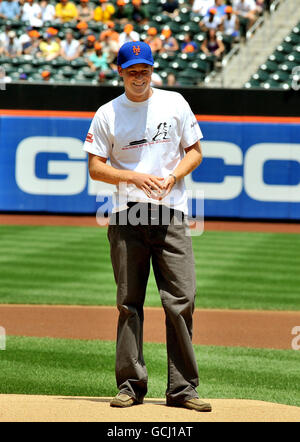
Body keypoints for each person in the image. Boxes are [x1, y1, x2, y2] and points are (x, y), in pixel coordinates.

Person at [83, 41, 212, 413]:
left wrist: (173, 177)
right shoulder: (108, 113)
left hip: (171, 213)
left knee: (181, 301)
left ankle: (183, 388)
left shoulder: (175, 103)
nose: (139, 76)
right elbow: (95, 166)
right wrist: (134, 178)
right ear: (120, 72)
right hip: (127, 215)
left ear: (152, 70)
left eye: (145, 69)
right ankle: (130, 384)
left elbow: (195, 151)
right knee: (129, 303)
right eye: (132, 70)